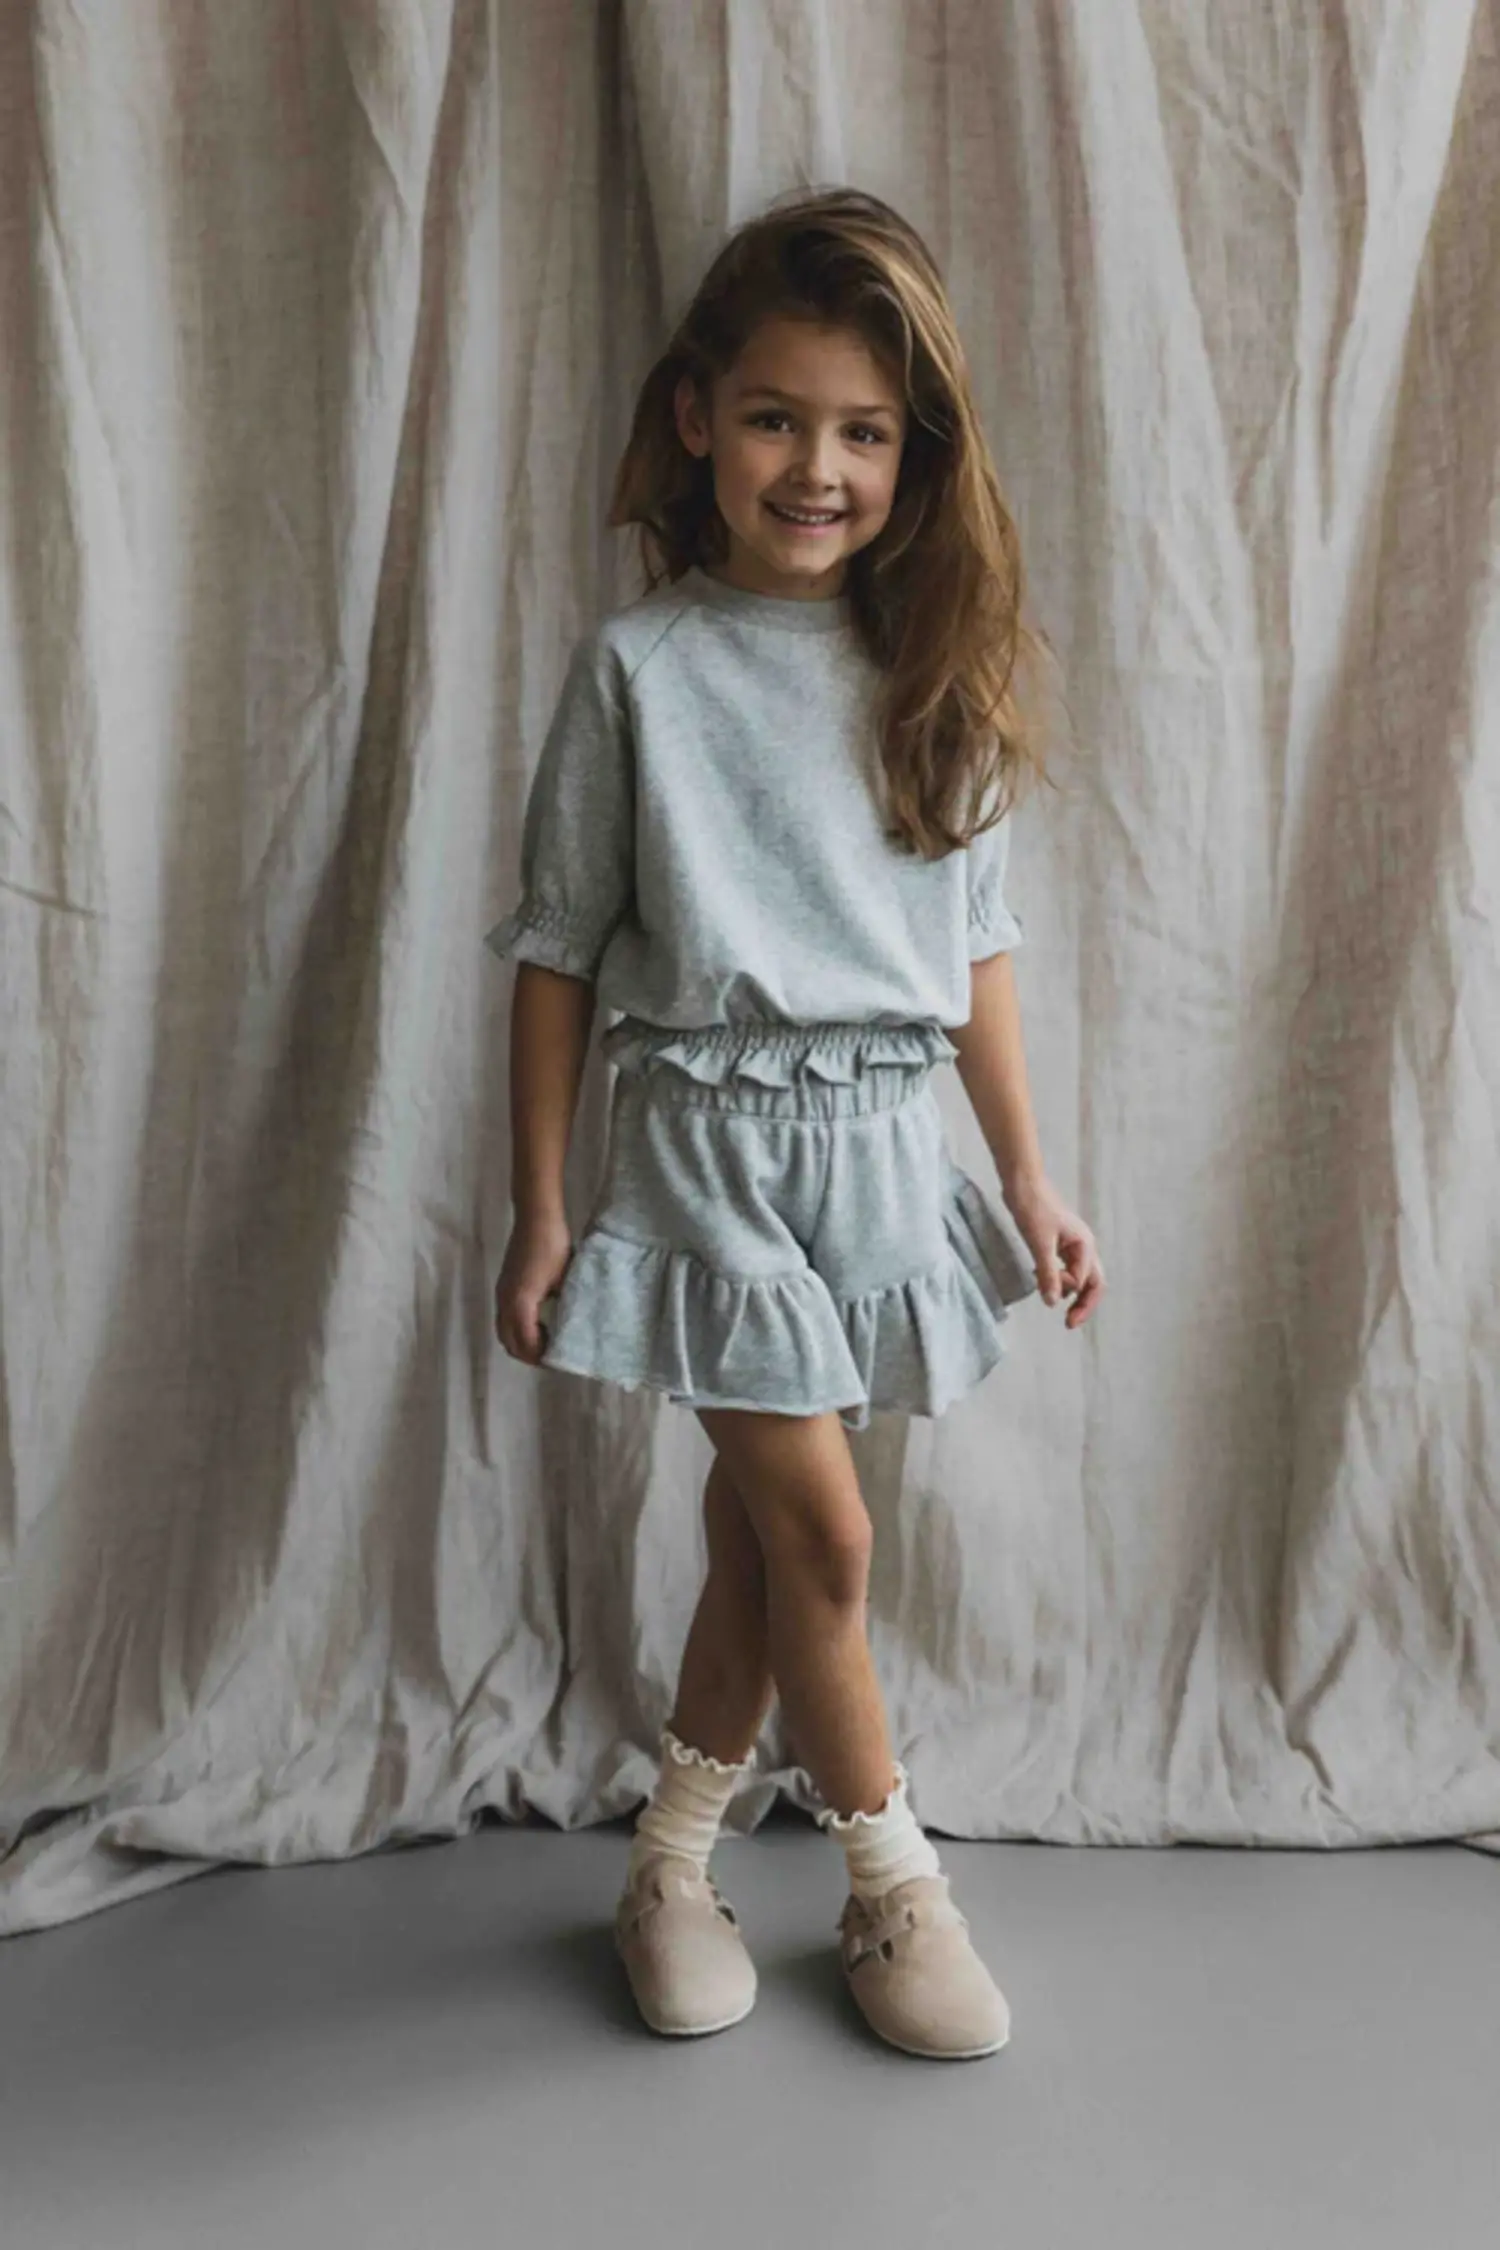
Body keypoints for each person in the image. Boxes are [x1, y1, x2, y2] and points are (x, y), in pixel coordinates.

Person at [489, 186, 1105, 2061]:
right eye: (775, 418)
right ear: (698, 417)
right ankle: (893, 1879)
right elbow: (556, 954)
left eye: (863, 432)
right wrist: (541, 1204)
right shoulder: (640, 672)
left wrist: (1027, 1176)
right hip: (706, 1152)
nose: (817, 468)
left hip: (884, 1157)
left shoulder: (938, 674)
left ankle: (670, 1862)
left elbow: (974, 952)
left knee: (765, 1543)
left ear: (914, 456)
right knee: (827, 1538)